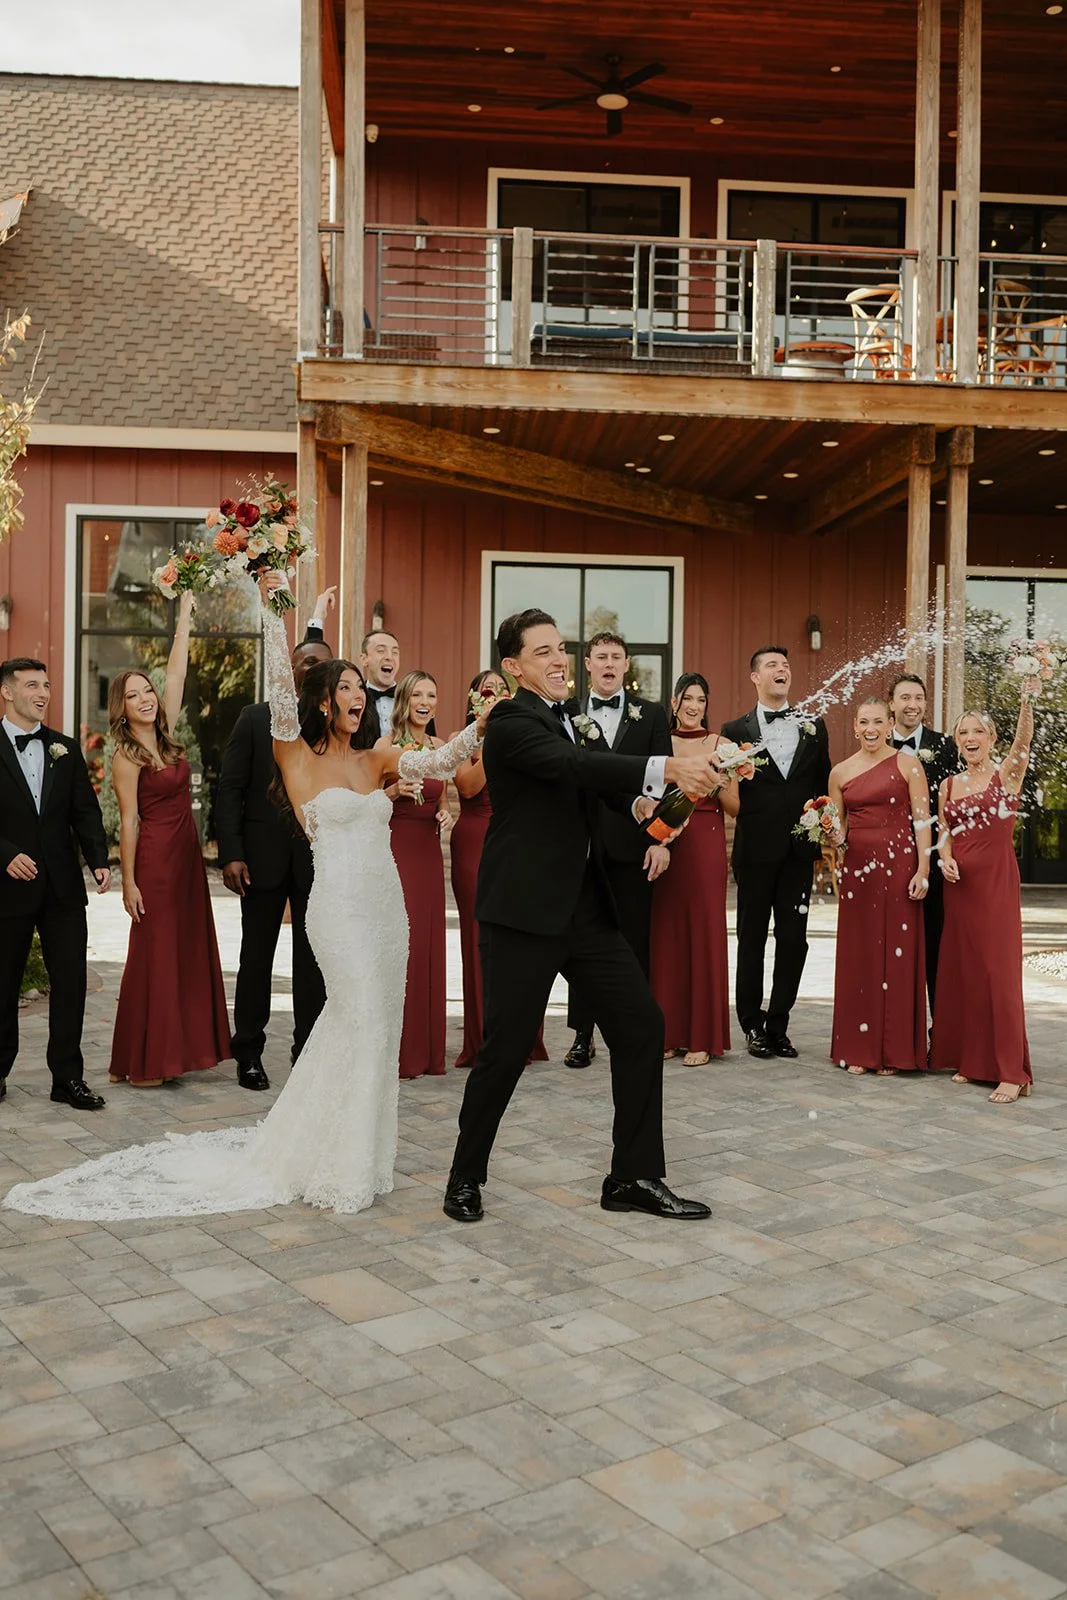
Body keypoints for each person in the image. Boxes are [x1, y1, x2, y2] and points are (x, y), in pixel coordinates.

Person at [3, 575, 486, 1221]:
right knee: (359, 1017)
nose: (355, 695)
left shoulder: (378, 758)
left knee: (375, 1027)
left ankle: (361, 1153)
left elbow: (446, 758)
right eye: (342, 687)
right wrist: (275, 605)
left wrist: (488, 719)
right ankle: (327, 1150)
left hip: (385, 913)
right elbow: (282, 686)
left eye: (356, 688)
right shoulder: (295, 755)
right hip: (340, 910)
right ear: (321, 702)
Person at [442, 607, 720, 1227]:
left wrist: (657, 800)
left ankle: (633, 1176)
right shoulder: (511, 720)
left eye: (559, 648)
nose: (558, 659)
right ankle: (464, 1175)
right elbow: (572, 768)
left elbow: (597, 786)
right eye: (543, 652)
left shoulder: (571, 720)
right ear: (513, 667)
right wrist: (666, 765)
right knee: (506, 1050)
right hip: (523, 911)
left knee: (642, 1025)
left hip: (585, 909)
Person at [216, 587, 340, 1090]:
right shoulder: (254, 718)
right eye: (303, 661)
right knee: (256, 958)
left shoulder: (334, 731)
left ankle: (308, 1052)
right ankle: (248, 1052)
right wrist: (231, 854)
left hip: (319, 863)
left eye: (320, 664)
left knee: (313, 962)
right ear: (289, 669)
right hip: (261, 860)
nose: (310, 668)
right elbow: (229, 790)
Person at [108, 591, 232, 1086]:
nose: (146, 698)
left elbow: (176, 673)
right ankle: (144, 1062)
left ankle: (165, 1052)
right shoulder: (124, 756)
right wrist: (128, 882)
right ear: (122, 706)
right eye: (135, 694)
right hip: (155, 865)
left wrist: (183, 616)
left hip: (187, 864)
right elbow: (129, 821)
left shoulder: (167, 735)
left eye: (148, 691)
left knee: (181, 952)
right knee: (155, 955)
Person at [0, 656, 110, 1111]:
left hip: (63, 887)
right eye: (31, 685)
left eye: (46, 685)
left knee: (71, 984)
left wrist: (99, 859)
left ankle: (67, 1077)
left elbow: (84, 811)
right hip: (6, 888)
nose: (43, 693)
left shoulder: (64, 749)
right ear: (7, 692)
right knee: (2, 985)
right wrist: (4, 855)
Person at [563, 631, 673, 1070]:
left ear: (627, 665)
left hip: (634, 845)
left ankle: (631, 1032)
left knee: (632, 940)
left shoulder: (651, 715)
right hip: (583, 846)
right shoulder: (569, 715)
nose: (609, 664)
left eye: (616, 657)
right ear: (587, 664)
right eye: (601, 657)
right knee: (580, 940)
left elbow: (663, 780)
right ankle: (582, 1034)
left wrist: (660, 839)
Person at [722, 646, 831, 1060]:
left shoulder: (813, 726)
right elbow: (729, 790)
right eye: (772, 665)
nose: (781, 670)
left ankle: (779, 1024)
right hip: (754, 852)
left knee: (794, 941)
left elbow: (822, 784)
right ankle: (751, 1024)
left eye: (785, 665)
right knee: (751, 939)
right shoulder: (734, 731)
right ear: (755, 677)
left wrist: (826, 822)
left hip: (799, 854)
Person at [929, 680, 1034, 1103]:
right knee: (967, 970)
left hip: (994, 884)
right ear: (957, 742)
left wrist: (1027, 696)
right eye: (963, 733)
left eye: (978, 732)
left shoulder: (1005, 774)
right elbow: (945, 833)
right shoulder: (948, 786)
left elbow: (1024, 738)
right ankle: (974, 1062)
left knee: (998, 972)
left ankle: (1013, 1071)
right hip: (960, 888)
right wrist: (944, 858)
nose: (970, 738)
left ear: (991, 739)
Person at [450, 670, 549, 1070]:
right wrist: (495, 737)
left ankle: (524, 1037)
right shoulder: (466, 742)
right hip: (475, 841)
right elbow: (470, 787)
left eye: (500, 691)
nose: (494, 695)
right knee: (480, 940)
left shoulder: (527, 734)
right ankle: (485, 1038)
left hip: (519, 840)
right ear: (475, 700)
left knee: (522, 936)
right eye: (485, 691)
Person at [827, 697, 930, 1076]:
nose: (870, 729)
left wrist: (923, 869)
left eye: (877, 722)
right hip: (858, 871)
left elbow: (923, 822)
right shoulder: (840, 772)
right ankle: (859, 1046)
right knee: (862, 954)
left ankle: (894, 1050)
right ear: (854, 727)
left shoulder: (908, 764)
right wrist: (825, 829)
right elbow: (838, 834)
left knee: (897, 956)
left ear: (890, 724)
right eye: (863, 722)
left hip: (900, 865)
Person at [650, 673, 737, 1065]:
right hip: (666, 839)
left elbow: (736, 807)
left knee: (703, 932)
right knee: (665, 934)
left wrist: (717, 781)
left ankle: (703, 1037)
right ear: (674, 701)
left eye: (701, 700)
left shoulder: (722, 745)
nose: (694, 706)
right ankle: (668, 1033)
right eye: (688, 698)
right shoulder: (660, 743)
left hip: (704, 843)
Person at [376, 671, 451, 1079]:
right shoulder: (384, 746)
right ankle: (398, 1052)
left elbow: (447, 796)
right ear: (403, 701)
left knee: (426, 944)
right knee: (400, 945)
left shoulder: (440, 747)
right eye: (418, 694)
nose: (426, 701)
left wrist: (445, 812)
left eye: (432, 694)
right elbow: (365, 799)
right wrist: (391, 793)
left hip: (428, 852)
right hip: (396, 850)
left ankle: (426, 1051)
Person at [887, 673, 957, 1009]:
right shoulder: (876, 743)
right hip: (888, 856)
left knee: (935, 943)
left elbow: (955, 804)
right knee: (892, 943)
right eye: (905, 697)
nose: (912, 705)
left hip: (934, 858)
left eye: (918, 698)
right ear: (891, 703)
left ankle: (938, 1031)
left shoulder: (945, 746)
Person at [360, 628, 402, 738]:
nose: (389, 657)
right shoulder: (355, 698)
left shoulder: (412, 699)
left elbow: (428, 746)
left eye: (395, 652)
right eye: (381, 651)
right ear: (364, 659)